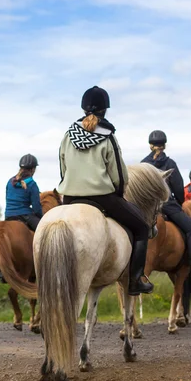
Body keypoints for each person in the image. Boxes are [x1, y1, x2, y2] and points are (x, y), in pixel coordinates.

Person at [58, 86, 154, 295]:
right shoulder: (108, 136)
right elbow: (119, 174)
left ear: (83, 108)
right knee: (141, 228)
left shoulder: (68, 135)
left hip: (70, 197)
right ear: (105, 110)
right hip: (103, 197)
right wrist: (119, 194)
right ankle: (136, 280)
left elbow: (62, 167)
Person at [142, 131, 191, 280]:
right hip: (167, 205)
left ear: (150, 145)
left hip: (147, 206)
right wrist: (180, 203)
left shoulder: (144, 164)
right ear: (164, 145)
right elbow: (178, 189)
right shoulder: (170, 164)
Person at [4, 154, 42, 231]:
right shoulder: (32, 184)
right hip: (25, 216)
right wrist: (41, 217)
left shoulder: (10, 182)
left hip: (8, 215)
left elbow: (8, 199)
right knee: (43, 230)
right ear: (33, 169)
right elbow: (36, 207)